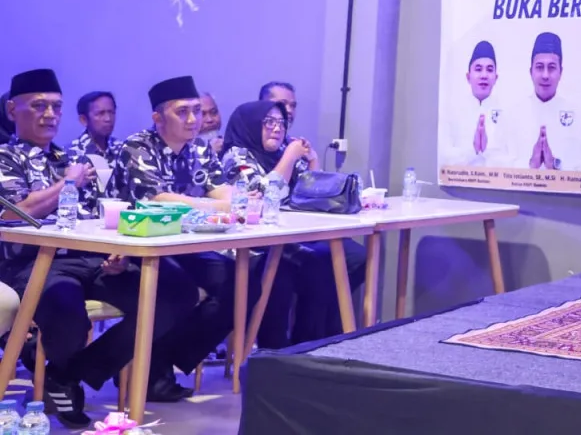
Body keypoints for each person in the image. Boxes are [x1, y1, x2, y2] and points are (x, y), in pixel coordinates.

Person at [0, 69, 196, 427]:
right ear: (13, 110)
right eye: (39, 106)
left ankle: (69, 374)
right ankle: (60, 372)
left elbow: (98, 214)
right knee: (65, 309)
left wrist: (116, 250)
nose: (50, 114)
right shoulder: (6, 157)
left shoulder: (70, 158)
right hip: (35, 263)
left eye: (56, 107)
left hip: (91, 258)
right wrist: (67, 183)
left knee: (174, 294)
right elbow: (17, 212)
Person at [112, 75, 245, 400]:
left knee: (241, 280)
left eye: (197, 111)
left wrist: (224, 201)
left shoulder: (200, 148)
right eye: (182, 111)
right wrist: (216, 205)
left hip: (186, 244)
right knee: (176, 287)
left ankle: (166, 357)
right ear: (158, 118)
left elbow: (226, 193)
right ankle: (147, 369)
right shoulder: (137, 146)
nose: (193, 119)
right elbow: (158, 200)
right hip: (138, 247)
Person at [220, 101, 367, 347]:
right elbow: (261, 196)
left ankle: (312, 341)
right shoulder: (236, 156)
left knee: (342, 260)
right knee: (291, 272)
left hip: (287, 238)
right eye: (269, 122)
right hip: (249, 245)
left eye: (281, 122)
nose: (277, 128)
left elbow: (311, 194)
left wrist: (312, 161)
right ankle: (278, 350)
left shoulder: (280, 152)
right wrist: (290, 157)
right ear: (251, 124)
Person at [519, 32, 581, 171]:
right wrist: (531, 165)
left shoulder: (579, 117)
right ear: (531, 72)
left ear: (561, 72)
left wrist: (556, 165)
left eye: (552, 68)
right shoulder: (513, 115)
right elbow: (496, 161)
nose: (545, 75)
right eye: (539, 67)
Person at [444, 41, 513, 167]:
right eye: (478, 69)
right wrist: (473, 151)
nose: (484, 75)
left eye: (489, 70)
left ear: (496, 78)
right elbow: (445, 157)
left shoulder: (506, 114)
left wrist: (485, 153)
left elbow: (512, 161)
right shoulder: (453, 112)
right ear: (468, 77)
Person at [259, 81, 320, 170]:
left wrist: (313, 159)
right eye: (282, 104)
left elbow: (310, 179)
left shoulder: (290, 144)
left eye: (293, 106)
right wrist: (290, 155)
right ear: (261, 106)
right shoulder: (244, 148)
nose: (289, 110)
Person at [69, 91, 122, 166]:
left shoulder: (122, 149)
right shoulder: (69, 154)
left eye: (111, 112)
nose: (108, 119)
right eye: (100, 113)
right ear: (83, 120)